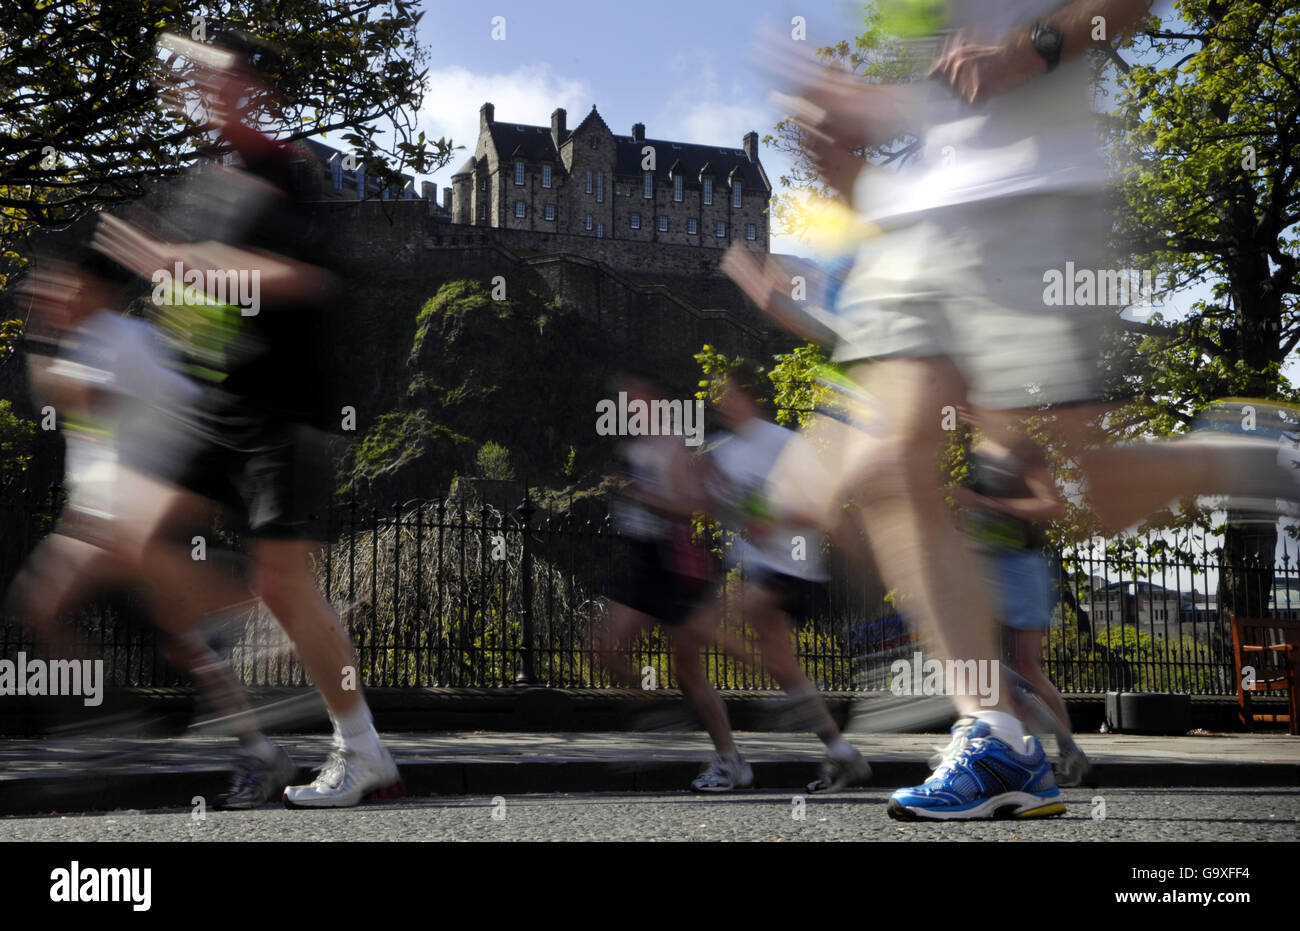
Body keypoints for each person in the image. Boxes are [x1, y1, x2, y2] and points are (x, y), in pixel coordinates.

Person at [90, 31, 399, 808]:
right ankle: (255, 627)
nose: (206, 91)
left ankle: (362, 749)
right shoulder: (201, 184)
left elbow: (300, 277)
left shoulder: (284, 172)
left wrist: (181, 266)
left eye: (222, 79)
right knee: (136, 537)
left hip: (281, 405)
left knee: (283, 579)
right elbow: (198, 301)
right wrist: (174, 295)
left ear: (256, 91)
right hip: (214, 401)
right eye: (197, 80)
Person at [5, 249, 286, 802]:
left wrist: (38, 337)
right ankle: (248, 741)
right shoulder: (95, 342)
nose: (58, 298)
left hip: (145, 506)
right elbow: (86, 419)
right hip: (107, 510)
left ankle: (262, 615)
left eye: (66, 288)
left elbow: (87, 399)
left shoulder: (119, 339)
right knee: (177, 641)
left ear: (93, 291)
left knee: (51, 603)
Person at [686, 365, 872, 794]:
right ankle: (841, 751)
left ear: (752, 397)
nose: (721, 401)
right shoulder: (719, 450)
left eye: (730, 392)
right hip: (754, 568)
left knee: (721, 617)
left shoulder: (786, 445)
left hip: (794, 567)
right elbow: (714, 504)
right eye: (717, 395)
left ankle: (781, 704)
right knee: (783, 666)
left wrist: (770, 518)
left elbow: (822, 512)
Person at [954, 415, 1092, 786]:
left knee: (1027, 665)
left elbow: (1051, 505)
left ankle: (1069, 753)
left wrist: (994, 504)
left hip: (1023, 565)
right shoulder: (972, 452)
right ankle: (1001, 746)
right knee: (971, 658)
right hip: (983, 563)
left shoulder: (1024, 449)